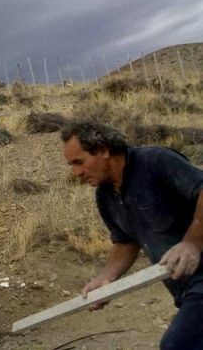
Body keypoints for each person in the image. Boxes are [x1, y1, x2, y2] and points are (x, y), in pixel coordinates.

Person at [61, 120, 203, 350]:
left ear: (103, 150)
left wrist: (191, 245)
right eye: (71, 165)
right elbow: (126, 241)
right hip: (187, 290)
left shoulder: (155, 162)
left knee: (179, 345)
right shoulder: (105, 196)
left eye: (79, 162)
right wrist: (105, 277)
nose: (76, 173)